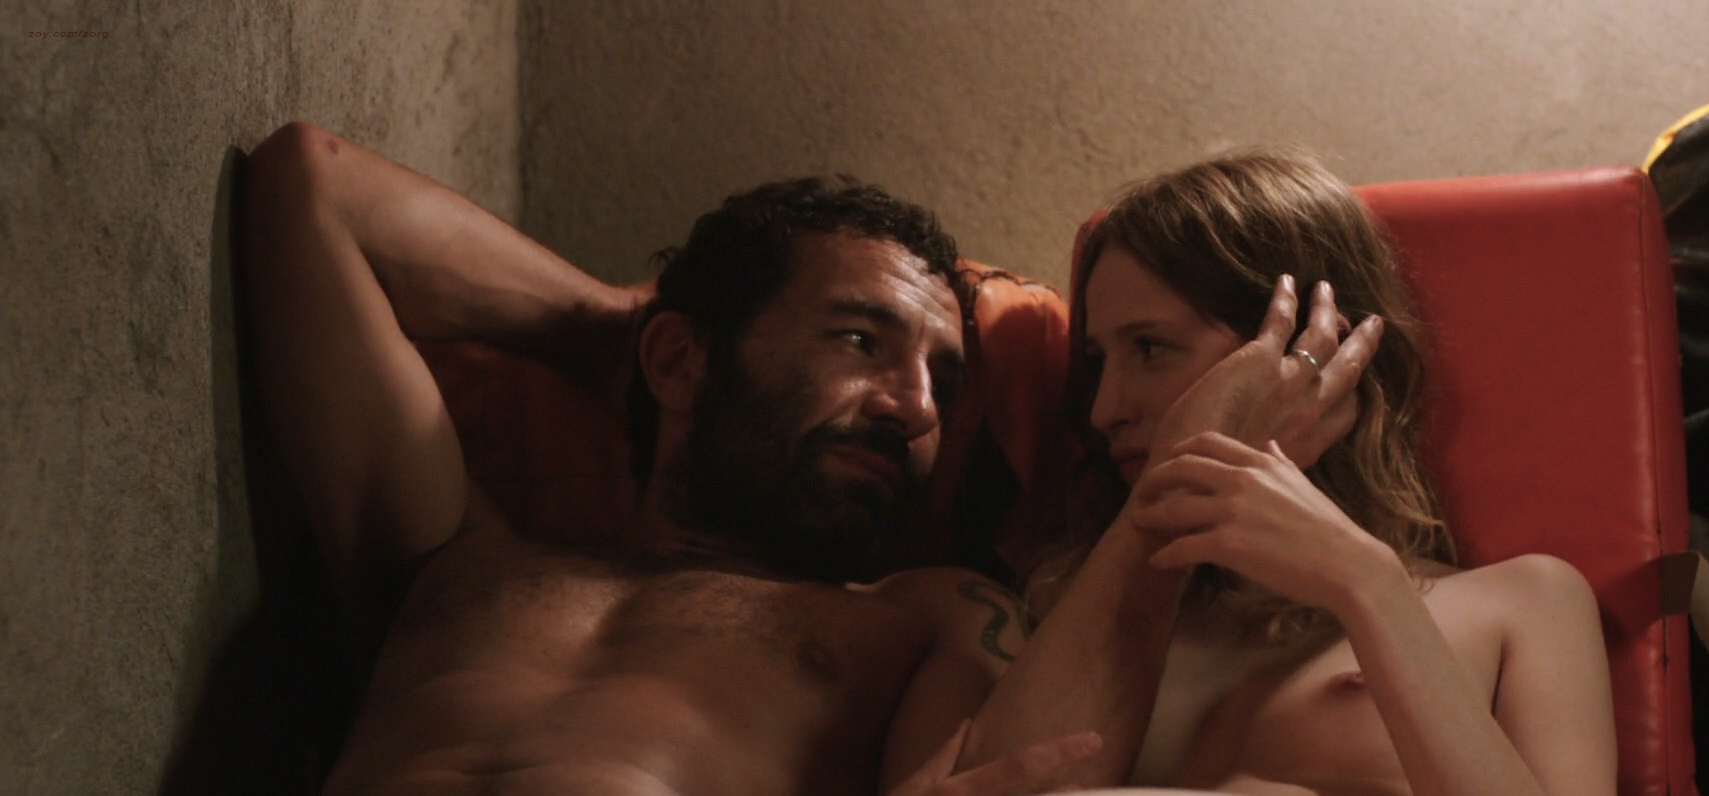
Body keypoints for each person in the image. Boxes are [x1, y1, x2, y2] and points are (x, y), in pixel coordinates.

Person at [238, 121, 1215, 796]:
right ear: (678, 360)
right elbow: (313, 185)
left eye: (945, 384)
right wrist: (611, 330)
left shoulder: (925, 619)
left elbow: (1038, 770)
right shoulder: (454, 546)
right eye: (860, 340)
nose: (918, 410)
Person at [959, 152, 1618, 795]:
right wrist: (1161, 508)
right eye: (1097, 362)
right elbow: (995, 789)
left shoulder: (1519, 602)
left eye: (1151, 348)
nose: (1105, 410)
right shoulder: (1075, 602)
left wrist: (1366, 582)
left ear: (1313, 345)